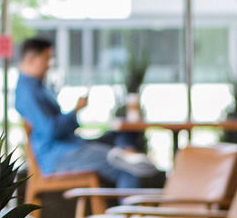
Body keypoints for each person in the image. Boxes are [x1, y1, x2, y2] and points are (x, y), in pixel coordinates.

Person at [13, 37, 158, 189]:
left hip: (71, 146)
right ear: (31, 59)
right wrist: (75, 110)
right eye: (46, 59)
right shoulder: (27, 92)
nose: (49, 65)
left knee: (119, 137)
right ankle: (128, 205)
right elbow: (51, 130)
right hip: (58, 156)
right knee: (125, 166)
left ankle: (124, 152)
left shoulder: (39, 87)